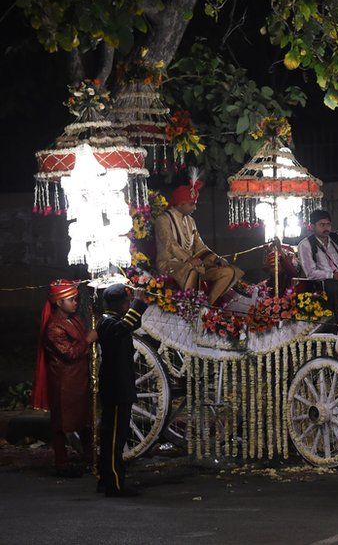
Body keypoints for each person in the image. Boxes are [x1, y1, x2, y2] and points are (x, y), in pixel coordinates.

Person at [30, 280, 96, 478]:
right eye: (71, 299)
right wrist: (87, 340)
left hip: (79, 380)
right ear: (59, 302)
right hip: (64, 383)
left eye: (75, 299)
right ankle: (62, 463)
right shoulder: (54, 327)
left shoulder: (73, 319)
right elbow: (69, 353)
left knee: (85, 421)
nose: (75, 303)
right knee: (60, 425)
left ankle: (89, 457)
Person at [154, 176, 243, 306]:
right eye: (192, 204)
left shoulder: (191, 221)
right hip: (169, 264)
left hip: (195, 264)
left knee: (228, 271)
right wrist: (189, 259)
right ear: (180, 203)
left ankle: (207, 306)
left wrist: (216, 259)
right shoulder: (163, 220)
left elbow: (199, 245)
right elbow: (170, 244)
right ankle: (192, 308)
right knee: (193, 269)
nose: (195, 208)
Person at [96, 283, 147, 497]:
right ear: (119, 304)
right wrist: (138, 301)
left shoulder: (112, 321)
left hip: (117, 388)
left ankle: (106, 480)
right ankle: (115, 485)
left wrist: (138, 304)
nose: (128, 306)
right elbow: (123, 327)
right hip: (116, 389)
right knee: (115, 439)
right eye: (126, 302)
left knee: (113, 437)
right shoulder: (108, 323)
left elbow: (130, 324)